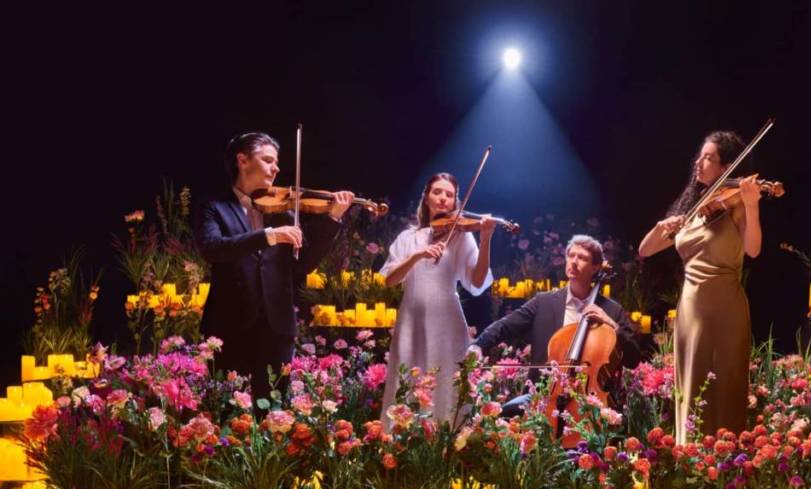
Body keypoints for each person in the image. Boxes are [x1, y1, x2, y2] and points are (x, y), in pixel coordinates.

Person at [194, 131, 354, 398]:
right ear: (242, 160)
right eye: (268, 160)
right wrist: (267, 236)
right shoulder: (213, 206)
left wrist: (332, 219)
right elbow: (213, 249)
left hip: (277, 327)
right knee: (227, 411)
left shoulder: (283, 212)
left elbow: (302, 265)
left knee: (273, 411)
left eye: (276, 162)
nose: (276, 168)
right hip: (229, 324)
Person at [638, 130, 763, 442]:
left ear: (726, 168)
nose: (699, 161)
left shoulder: (735, 204)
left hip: (725, 306)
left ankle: (724, 462)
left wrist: (752, 205)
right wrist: (659, 227)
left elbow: (753, 249)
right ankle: (689, 454)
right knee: (692, 383)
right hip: (691, 305)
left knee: (724, 383)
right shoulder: (693, 210)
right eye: (700, 155)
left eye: (709, 157)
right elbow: (645, 250)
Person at [469, 234, 641, 410]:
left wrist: (610, 324)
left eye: (582, 258)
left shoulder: (612, 310)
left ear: (596, 267)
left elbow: (633, 358)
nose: (574, 261)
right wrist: (478, 345)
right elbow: (504, 326)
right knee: (506, 412)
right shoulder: (543, 302)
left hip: (590, 402)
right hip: (543, 395)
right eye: (571, 255)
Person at [379, 172, 495, 425]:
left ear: (455, 202)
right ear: (427, 198)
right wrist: (416, 255)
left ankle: (445, 445)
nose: (443, 198)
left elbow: (476, 282)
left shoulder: (461, 235)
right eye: (437, 192)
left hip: (446, 323)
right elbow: (389, 279)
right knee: (406, 378)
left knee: (446, 382)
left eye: (449, 195)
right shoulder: (408, 238)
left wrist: (485, 239)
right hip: (411, 320)